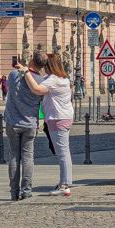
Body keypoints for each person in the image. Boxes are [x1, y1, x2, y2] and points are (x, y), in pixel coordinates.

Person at [2, 53, 49, 201]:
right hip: (30, 123)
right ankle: (26, 190)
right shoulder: (41, 81)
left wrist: (21, 68)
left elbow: (11, 86)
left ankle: (14, 192)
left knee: (14, 157)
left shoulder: (13, 74)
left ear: (31, 59)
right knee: (28, 157)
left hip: (12, 122)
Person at [39, 51, 76, 197]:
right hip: (64, 117)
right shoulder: (63, 78)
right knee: (63, 152)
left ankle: (64, 185)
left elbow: (37, 90)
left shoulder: (53, 80)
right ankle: (65, 183)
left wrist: (27, 74)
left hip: (57, 118)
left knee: (62, 153)